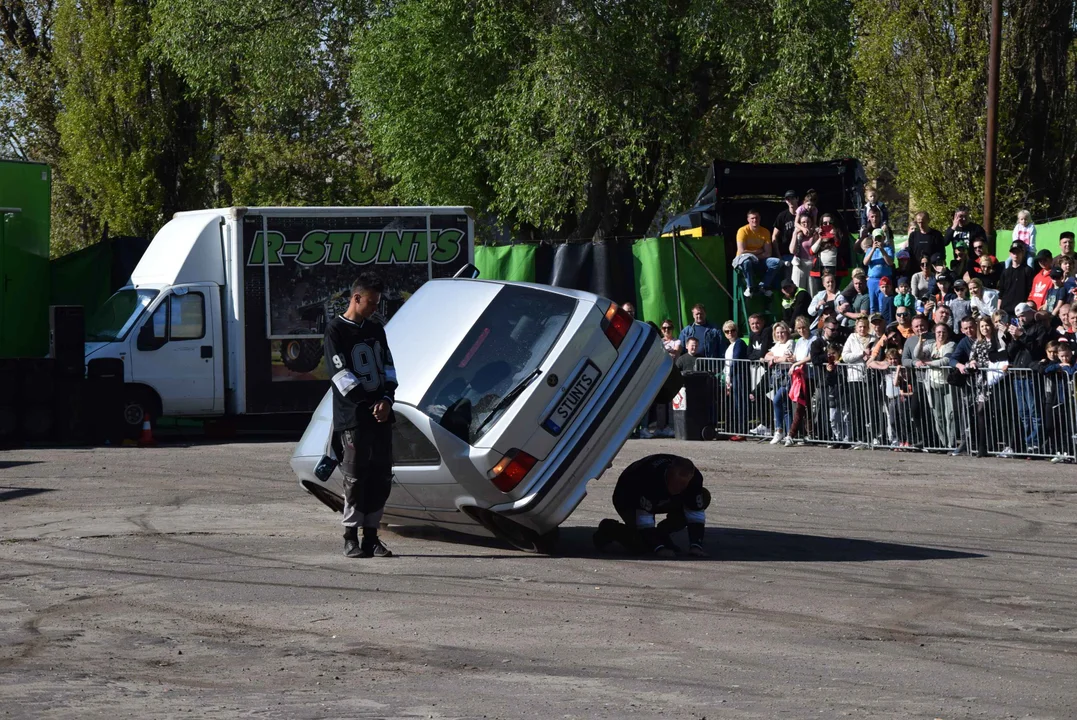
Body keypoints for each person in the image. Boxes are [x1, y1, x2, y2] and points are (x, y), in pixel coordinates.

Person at [324, 273, 398, 559]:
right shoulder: (335, 331)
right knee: (356, 478)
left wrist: (387, 400)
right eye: (371, 302)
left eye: (377, 303)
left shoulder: (376, 329)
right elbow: (340, 377)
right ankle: (350, 537)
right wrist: (371, 405)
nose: (375, 309)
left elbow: (389, 369)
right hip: (354, 417)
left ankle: (371, 537)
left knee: (381, 477)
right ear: (356, 298)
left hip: (381, 415)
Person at [593, 455, 710, 557]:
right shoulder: (651, 478)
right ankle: (609, 528)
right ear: (668, 472)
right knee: (640, 545)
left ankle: (662, 533)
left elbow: (695, 512)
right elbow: (644, 521)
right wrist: (659, 548)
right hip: (628, 497)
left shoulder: (695, 479)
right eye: (675, 483)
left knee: (703, 496)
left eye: (683, 485)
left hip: (660, 497)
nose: (678, 488)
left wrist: (696, 545)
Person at [1005, 302, 1049, 454]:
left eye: (1023, 315)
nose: (1021, 319)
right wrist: (1015, 338)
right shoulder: (1019, 329)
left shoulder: (1039, 328)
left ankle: (1035, 443)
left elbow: (1037, 350)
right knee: (1023, 413)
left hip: (1031, 375)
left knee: (1034, 411)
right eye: (1018, 317)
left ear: (1031, 313)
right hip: (1018, 375)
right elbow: (1010, 352)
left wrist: (1022, 336)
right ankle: (1027, 442)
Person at [915, 321, 956, 450]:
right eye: (938, 332)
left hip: (947, 384)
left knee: (950, 414)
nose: (941, 334)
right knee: (937, 415)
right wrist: (920, 341)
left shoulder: (951, 345)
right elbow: (917, 355)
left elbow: (945, 360)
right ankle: (943, 444)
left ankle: (951, 443)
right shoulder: (931, 345)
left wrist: (928, 362)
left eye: (943, 332)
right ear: (935, 333)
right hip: (933, 383)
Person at [734, 209, 780, 298]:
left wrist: (751, 254)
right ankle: (750, 287)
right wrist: (759, 251)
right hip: (743, 261)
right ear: (748, 219)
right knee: (747, 262)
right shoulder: (742, 231)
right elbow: (741, 251)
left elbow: (768, 253)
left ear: (760, 218)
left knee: (777, 262)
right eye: (752, 218)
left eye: (757, 218)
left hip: (760, 260)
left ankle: (763, 286)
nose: (755, 220)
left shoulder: (765, 232)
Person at [764, 321, 796, 445]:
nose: (780, 335)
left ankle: (779, 429)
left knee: (777, 400)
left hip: (787, 376)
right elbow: (767, 355)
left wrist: (774, 359)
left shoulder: (790, 343)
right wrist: (775, 358)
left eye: (782, 332)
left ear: (787, 332)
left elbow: (787, 358)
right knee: (785, 406)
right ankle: (789, 434)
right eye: (777, 332)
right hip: (776, 376)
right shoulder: (776, 345)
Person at [720, 320, 750, 437]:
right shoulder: (729, 346)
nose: (730, 333)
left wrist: (730, 377)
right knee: (736, 405)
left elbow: (736, 360)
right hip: (731, 377)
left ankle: (743, 431)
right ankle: (737, 430)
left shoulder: (739, 343)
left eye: (732, 330)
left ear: (736, 331)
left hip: (739, 377)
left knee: (741, 404)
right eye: (727, 331)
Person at [998, 241, 1036, 316]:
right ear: (1010, 254)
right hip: (1005, 311)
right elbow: (1001, 293)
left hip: (1020, 312)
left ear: (1022, 253)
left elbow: (1030, 291)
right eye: (1013, 252)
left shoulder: (1028, 270)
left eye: (1018, 252)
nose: (1015, 254)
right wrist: (998, 310)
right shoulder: (1005, 272)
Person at [862, 227, 895, 312]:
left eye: (880, 238)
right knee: (873, 304)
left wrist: (882, 250)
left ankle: (883, 321)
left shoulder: (888, 249)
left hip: (884, 280)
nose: (878, 240)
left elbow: (890, 262)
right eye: (876, 238)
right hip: (873, 280)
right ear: (872, 239)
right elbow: (865, 263)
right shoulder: (869, 250)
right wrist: (873, 249)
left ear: (883, 238)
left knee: (882, 303)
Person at [788, 210, 816, 290]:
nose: (806, 224)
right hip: (799, 264)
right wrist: (795, 234)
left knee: (812, 291)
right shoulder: (797, 235)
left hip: (811, 264)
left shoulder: (814, 234)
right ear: (799, 224)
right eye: (803, 222)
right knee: (798, 290)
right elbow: (792, 250)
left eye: (808, 222)